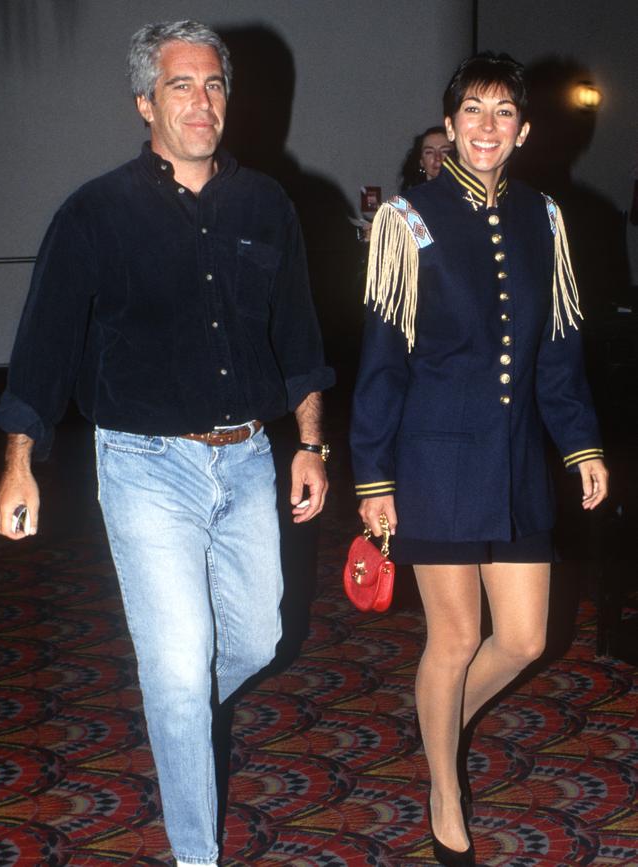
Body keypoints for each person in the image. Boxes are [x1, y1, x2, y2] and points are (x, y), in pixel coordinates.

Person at [0, 20, 334, 867]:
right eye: (180, 85)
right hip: (145, 465)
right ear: (145, 101)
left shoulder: (265, 205)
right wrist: (18, 462)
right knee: (183, 675)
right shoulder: (95, 212)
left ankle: (173, 710)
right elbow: (43, 344)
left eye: (213, 83)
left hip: (251, 457)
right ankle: (195, 851)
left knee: (256, 639)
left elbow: (298, 338)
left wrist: (311, 444)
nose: (201, 100)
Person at [350, 52, 608, 867]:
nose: (487, 126)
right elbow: (383, 360)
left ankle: (437, 723)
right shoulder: (408, 218)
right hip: (432, 462)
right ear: (450, 123)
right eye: (472, 111)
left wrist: (581, 443)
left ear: (523, 130)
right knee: (455, 639)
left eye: (503, 113)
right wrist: (374, 475)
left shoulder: (545, 218)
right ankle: (443, 786)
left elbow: (558, 353)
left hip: (516, 461)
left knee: (528, 637)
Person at [400, 125, 454, 191]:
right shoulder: (410, 199)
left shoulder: (468, 196)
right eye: (429, 152)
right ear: (421, 161)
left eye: (445, 151)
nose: (437, 157)